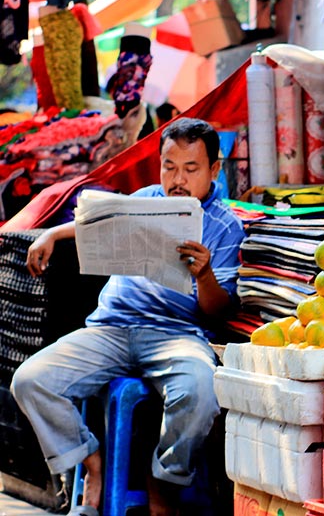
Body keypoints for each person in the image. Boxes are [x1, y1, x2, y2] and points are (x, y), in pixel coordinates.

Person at [11, 118, 246, 516]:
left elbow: (220, 312)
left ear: (214, 170)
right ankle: (92, 464)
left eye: (191, 169)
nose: (178, 180)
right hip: (111, 328)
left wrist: (204, 275)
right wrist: (51, 235)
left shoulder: (226, 226)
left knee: (202, 391)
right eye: (169, 166)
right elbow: (93, 225)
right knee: (31, 380)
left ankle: (164, 480)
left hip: (177, 336)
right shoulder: (146, 199)